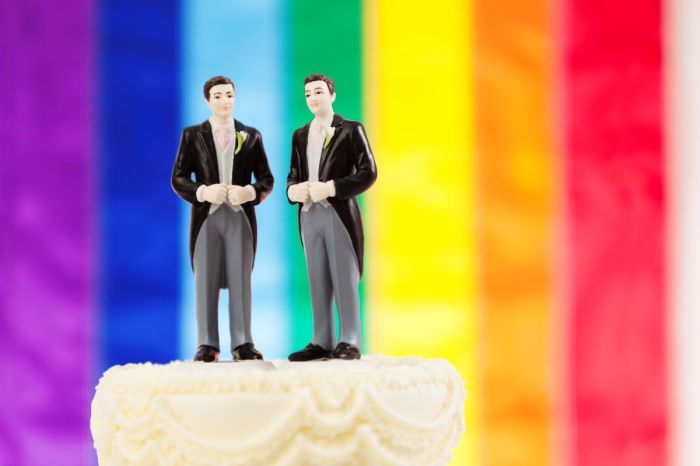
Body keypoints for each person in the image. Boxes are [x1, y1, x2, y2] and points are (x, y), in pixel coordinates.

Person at [172, 75, 273, 362]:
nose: (224, 101)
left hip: (239, 217)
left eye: (228, 95)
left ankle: (243, 341)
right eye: (217, 96)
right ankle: (207, 343)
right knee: (205, 278)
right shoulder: (192, 135)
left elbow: (266, 178)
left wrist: (250, 191)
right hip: (207, 218)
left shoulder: (251, 136)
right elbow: (178, 178)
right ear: (207, 100)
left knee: (241, 278)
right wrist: (203, 191)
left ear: (235, 97)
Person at [287, 74, 377, 361]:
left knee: (343, 275)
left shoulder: (351, 130)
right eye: (308, 94)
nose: (313, 98)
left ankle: (349, 337)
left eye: (318, 92)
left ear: (332, 95)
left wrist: (333, 187)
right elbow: (293, 173)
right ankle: (321, 338)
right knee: (316, 277)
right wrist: (293, 191)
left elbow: (368, 173)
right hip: (309, 215)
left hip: (337, 213)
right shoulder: (300, 135)